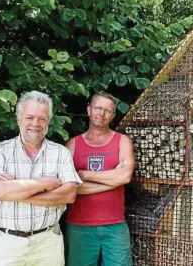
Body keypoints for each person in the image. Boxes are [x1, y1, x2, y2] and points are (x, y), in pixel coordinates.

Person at [0, 90, 82, 265]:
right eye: (30, 117)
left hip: (47, 245)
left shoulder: (61, 153)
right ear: (19, 119)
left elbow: (69, 195)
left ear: (48, 122)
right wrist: (43, 183)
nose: (35, 123)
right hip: (4, 245)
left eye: (42, 119)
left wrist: (16, 191)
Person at [66, 91, 135, 266]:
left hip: (115, 226)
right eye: (98, 108)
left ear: (113, 115)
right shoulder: (73, 144)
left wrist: (84, 174)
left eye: (107, 110)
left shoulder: (122, 141)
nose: (101, 114)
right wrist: (113, 180)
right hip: (79, 226)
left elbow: (125, 176)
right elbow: (69, 187)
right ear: (89, 109)